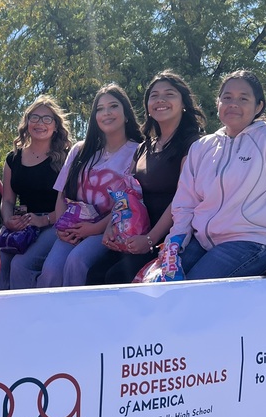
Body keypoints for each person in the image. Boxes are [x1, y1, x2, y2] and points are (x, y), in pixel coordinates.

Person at [166, 69, 266, 279]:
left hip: (252, 241)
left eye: (243, 98)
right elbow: (186, 201)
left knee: (193, 289)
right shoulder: (201, 148)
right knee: (160, 283)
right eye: (227, 97)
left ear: (258, 106)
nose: (233, 103)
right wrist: (175, 242)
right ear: (218, 103)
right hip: (203, 241)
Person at [88, 71, 206, 284]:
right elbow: (127, 193)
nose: (160, 100)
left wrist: (150, 239)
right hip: (134, 234)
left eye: (169, 94)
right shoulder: (144, 148)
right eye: (154, 95)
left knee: (117, 278)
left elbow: (183, 199)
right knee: (94, 275)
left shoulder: (193, 145)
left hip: (169, 239)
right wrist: (111, 228)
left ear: (184, 103)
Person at [38, 84, 143, 287]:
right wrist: (62, 227)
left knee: (76, 262)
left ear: (126, 113)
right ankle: (47, 316)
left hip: (107, 228)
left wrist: (93, 229)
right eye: (100, 109)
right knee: (51, 269)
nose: (106, 113)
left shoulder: (137, 152)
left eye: (113, 106)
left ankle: (77, 316)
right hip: (72, 226)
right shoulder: (80, 150)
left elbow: (126, 203)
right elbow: (61, 195)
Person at [0, 96, 72, 290]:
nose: (40, 124)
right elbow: (8, 199)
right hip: (21, 224)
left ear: (55, 126)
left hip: (53, 223)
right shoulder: (13, 158)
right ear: (27, 122)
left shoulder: (66, 158)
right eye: (34, 118)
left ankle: (26, 317)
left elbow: (72, 202)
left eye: (47, 119)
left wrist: (42, 220)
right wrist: (9, 219)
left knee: (21, 265)